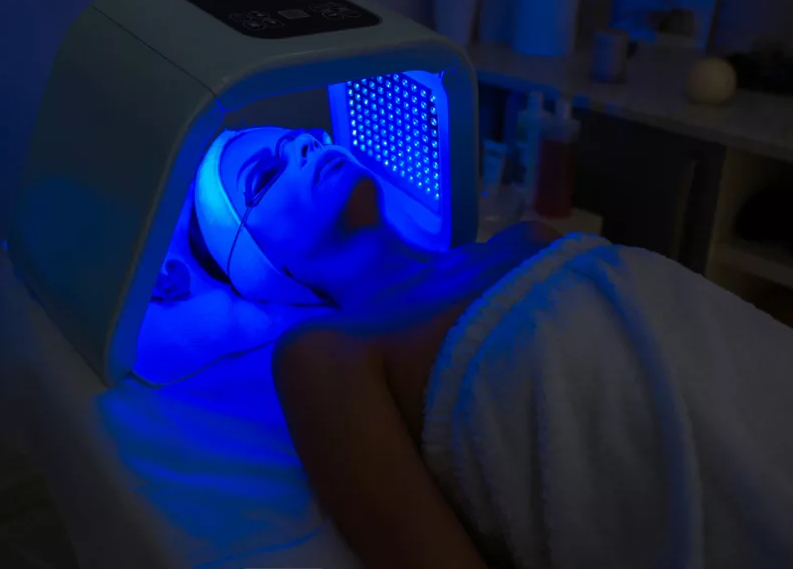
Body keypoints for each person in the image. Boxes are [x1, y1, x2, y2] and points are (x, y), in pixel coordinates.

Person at [190, 126, 793, 569]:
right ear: (259, 262)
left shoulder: (525, 236)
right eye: (264, 177)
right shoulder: (322, 352)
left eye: (298, 137)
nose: (300, 148)